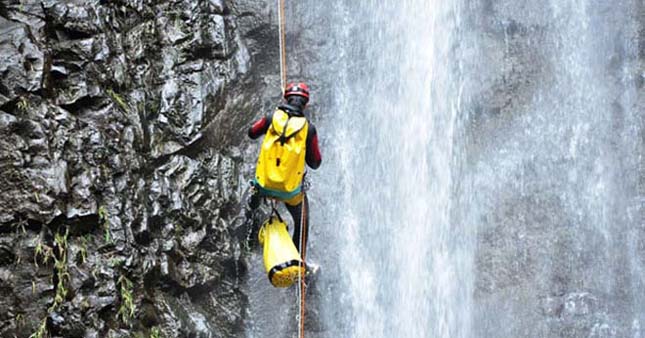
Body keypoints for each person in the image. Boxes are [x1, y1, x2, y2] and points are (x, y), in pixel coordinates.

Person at [247, 82, 322, 256]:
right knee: (302, 220)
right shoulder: (308, 129)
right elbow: (315, 163)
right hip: (290, 192)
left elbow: (252, 132)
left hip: (263, 185)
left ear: (286, 98)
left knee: (254, 192)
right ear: (306, 104)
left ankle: (250, 220)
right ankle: (298, 262)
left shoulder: (271, 118)